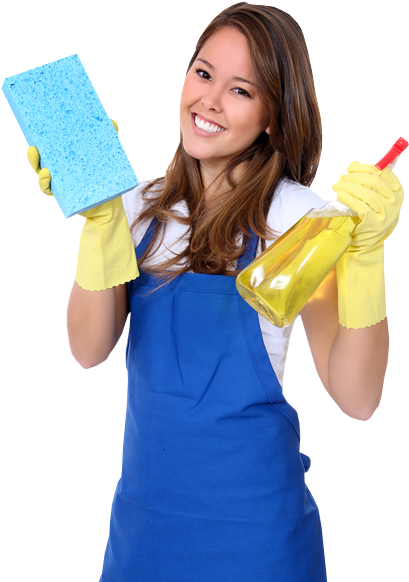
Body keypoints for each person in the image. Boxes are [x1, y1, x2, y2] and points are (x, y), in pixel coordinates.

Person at [26, 3, 404, 581]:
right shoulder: (137, 206)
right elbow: (86, 349)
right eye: (203, 74)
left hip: (257, 541)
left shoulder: (300, 219)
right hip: (144, 532)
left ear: (274, 116)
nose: (209, 100)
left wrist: (363, 258)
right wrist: (99, 224)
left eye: (241, 90)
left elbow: (357, 398)